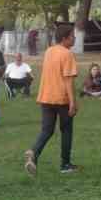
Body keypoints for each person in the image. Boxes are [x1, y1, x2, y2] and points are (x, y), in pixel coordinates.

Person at [26, 22, 79, 175]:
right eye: (72, 36)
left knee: (47, 130)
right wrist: (72, 103)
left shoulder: (49, 51)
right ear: (65, 38)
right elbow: (68, 80)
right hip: (61, 98)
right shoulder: (67, 54)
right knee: (66, 130)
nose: (74, 38)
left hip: (45, 96)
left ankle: (34, 153)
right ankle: (65, 164)